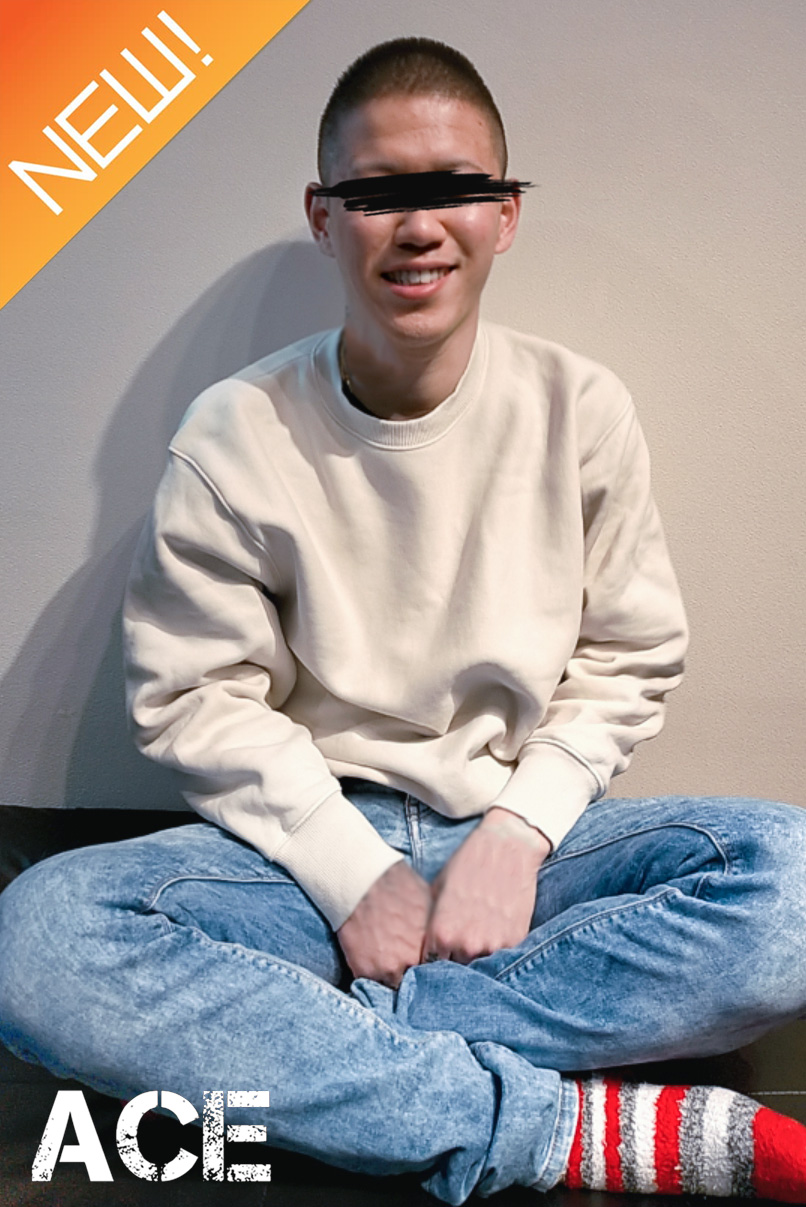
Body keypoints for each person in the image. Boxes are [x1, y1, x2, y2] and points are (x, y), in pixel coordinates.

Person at [1, 37, 805, 1203]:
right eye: (379, 193)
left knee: (793, 886)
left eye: (454, 188)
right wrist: (349, 873)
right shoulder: (234, 432)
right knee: (38, 938)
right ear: (324, 216)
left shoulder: (580, 409)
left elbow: (627, 656)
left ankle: (321, 1049)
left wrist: (517, 832)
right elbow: (194, 697)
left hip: (524, 840)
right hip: (294, 853)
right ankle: (557, 1129)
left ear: (504, 214)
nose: (419, 225)